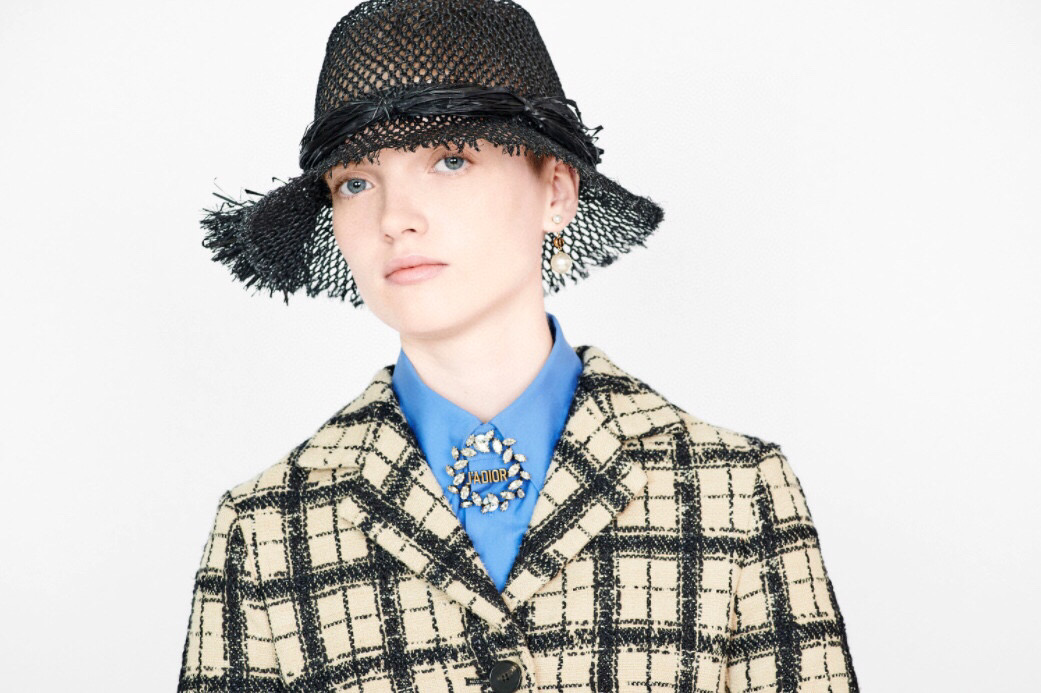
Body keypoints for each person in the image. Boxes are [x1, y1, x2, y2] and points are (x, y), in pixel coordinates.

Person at [177, 1, 858, 691]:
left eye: (450, 160)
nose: (395, 218)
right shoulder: (266, 528)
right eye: (356, 182)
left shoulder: (733, 491)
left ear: (555, 190)